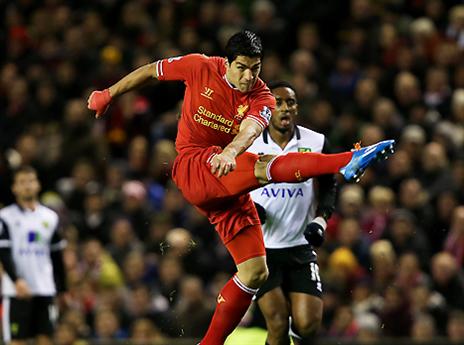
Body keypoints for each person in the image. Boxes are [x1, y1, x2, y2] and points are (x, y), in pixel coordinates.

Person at [87, 30, 395, 345]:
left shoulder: (262, 97)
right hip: (194, 165)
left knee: (254, 272)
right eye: (242, 68)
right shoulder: (200, 66)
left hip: (225, 177)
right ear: (227, 63)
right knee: (266, 166)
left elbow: (250, 129)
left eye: (256, 68)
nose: (249, 77)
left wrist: (231, 152)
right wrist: (108, 94)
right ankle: (347, 160)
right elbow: (152, 70)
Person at [248, 81, 334, 345]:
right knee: (276, 323)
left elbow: (330, 185)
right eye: (278, 102)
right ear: (267, 108)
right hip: (261, 251)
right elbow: (232, 188)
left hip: (299, 246)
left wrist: (321, 219)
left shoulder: (316, 142)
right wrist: (251, 211)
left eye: (291, 102)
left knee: (308, 325)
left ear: (297, 108)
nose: (285, 108)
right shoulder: (249, 143)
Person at [0, 166, 67, 345]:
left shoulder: (51, 217)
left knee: (46, 340)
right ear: (14, 188)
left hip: (45, 288)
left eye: (31, 181)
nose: (27, 186)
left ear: (38, 185)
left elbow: (56, 256)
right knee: (17, 341)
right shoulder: (5, 217)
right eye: (22, 182)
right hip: (17, 291)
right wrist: (17, 280)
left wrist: (62, 289)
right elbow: (3, 253)